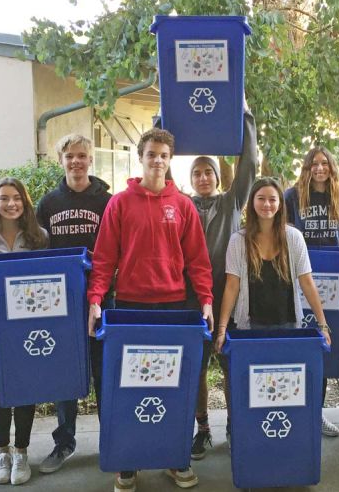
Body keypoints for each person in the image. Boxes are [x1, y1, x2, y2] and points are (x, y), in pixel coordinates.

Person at [87, 128, 213, 492]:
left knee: (173, 386)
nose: (157, 160)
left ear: (170, 160)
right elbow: (104, 258)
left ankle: (175, 459)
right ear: (140, 157)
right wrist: (96, 300)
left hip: (174, 307)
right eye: (151, 154)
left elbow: (199, 263)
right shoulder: (120, 203)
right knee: (130, 387)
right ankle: (127, 464)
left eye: (163, 155)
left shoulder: (183, 205)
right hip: (129, 308)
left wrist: (205, 300)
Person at [35, 133, 112, 473]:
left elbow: (118, 250)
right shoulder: (48, 203)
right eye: (70, 156)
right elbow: (38, 252)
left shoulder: (108, 201)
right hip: (60, 304)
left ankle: (111, 441)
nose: (76, 161)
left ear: (90, 160)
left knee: (104, 372)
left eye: (82, 155)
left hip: (102, 300)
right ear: (61, 160)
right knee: (65, 375)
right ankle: (64, 442)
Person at [0, 178, 49, 486]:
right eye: (4, 198)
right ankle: (2, 452)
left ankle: (22, 452)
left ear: (25, 203)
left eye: (17, 198)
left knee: (26, 389)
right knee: (0, 391)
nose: (11, 203)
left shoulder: (39, 237)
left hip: (30, 326)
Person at [188, 111, 258, 459]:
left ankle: (235, 424)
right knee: (197, 368)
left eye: (208, 172)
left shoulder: (232, 202)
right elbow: (159, 167)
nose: (203, 178)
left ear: (218, 177)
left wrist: (244, 118)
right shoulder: (181, 205)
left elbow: (249, 165)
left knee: (231, 364)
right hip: (192, 299)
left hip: (230, 296)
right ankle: (202, 428)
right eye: (197, 173)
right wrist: (160, 124)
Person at [284, 146, 339, 437]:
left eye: (324, 163)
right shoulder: (292, 196)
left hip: (333, 279)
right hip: (300, 276)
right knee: (297, 342)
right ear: (307, 167)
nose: (319, 168)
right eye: (314, 163)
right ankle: (295, 410)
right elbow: (285, 232)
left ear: (332, 166)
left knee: (324, 343)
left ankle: (317, 413)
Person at [214, 176, 331, 346]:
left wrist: (323, 325)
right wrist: (222, 329)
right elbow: (232, 285)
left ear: (280, 204)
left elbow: (307, 281)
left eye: (272, 199)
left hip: (288, 323)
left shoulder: (294, 237)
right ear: (252, 201)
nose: (266, 204)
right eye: (261, 198)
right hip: (250, 326)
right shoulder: (238, 240)